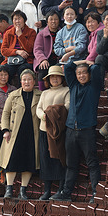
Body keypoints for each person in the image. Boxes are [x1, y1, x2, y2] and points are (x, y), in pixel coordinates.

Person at [52, 60, 102, 203]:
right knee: (71, 164)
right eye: (78, 73)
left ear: (89, 74)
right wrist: (81, 62)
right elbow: (68, 67)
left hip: (87, 131)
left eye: (84, 73)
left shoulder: (94, 86)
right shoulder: (73, 86)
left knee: (92, 163)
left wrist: (89, 64)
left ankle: (95, 194)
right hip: (71, 131)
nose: (81, 76)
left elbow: (97, 68)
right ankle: (66, 193)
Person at [0, 69, 41, 200]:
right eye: (24, 79)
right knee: (11, 160)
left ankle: (23, 190)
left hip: (33, 133)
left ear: (34, 82)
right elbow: (5, 113)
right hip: (14, 133)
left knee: (29, 161)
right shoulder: (13, 95)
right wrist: (5, 130)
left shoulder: (40, 95)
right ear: (21, 81)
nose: (27, 82)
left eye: (29, 79)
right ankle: (9, 189)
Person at [36, 65, 70, 200]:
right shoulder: (44, 93)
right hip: (44, 130)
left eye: (57, 77)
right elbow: (39, 108)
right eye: (52, 77)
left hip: (59, 131)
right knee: (45, 159)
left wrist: (51, 113)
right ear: (48, 79)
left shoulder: (66, 91)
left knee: (59, 159)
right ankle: (47, 190)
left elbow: (67, 107)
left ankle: (61, 189)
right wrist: (43, 116)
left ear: (61, 78)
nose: (54, 79)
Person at [1, 10, 36, 83]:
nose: (17, 21)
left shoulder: (31, 32)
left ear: (25, 20)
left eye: (19, 19)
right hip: (11, 60)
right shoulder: (8, 33)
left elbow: (30, 49)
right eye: (15, 19)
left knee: (23, 70)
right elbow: (3, 50)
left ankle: (22, 91)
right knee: (4, 71)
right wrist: (17, 51)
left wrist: (20, 35)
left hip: (26, 60)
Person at [33, 9, 61, 91]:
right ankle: (42, 92)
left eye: (56, 19)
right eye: (51, 19)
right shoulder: (41, 34)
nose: (53, 21)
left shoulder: (62, 32)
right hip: (46, 59)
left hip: (58, 59)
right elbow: (37, 49)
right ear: (47, 22)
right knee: (43, 67)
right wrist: (43, 59)